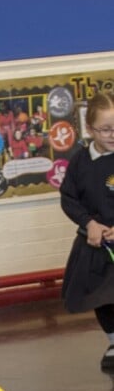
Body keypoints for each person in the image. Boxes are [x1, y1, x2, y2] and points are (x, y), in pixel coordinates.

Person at [60, 91, 114, 371]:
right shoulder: (80, 162)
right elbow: (69, 199)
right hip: (94, 246)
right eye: (106, 129)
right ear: (91, 129)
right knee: (101, 297)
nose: (112, 135)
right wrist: (89, 223)